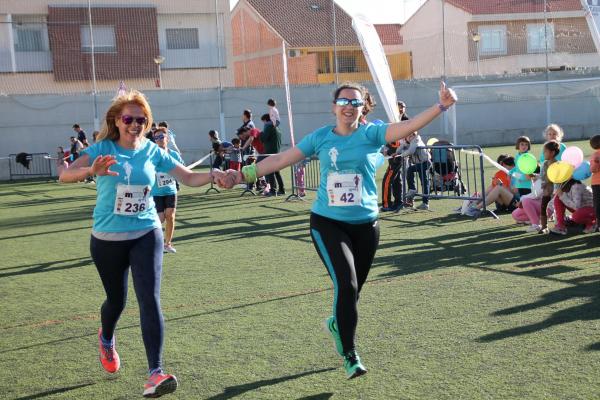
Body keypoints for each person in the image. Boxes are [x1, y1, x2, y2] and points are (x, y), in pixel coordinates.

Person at [221, 81, 457, 378]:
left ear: (363, 109)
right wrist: (243, 174)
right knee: (345, 285)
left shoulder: (372, 134)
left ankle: (337, 324)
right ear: (334, 107)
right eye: (344, 101)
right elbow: (281, 159)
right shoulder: (320, 138)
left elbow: (403, 128)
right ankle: (350, 354)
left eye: (355, 103)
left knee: (353, 293)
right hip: (328, 223)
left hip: (367, 226)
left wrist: (441, 106)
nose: (349, 106)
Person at [59, 90, 227, 398]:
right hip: (107, 239)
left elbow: (188, 178)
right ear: (117, 121)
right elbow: (64, 175)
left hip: (147, 232)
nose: (135, 124)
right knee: (116, 302)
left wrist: (214, 175)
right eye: (129, 119)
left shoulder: (153, 151)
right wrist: (89, 171)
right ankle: (106, 337)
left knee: (149, 299)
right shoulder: (102, 148)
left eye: (141, 119)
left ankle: (155, 373)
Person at [151, 127, 184, 253]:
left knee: (170, 215)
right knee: (160, 218)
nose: (159, 139)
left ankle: (167, 243)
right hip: (156, 192)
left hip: (171, 190)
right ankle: (155, 242)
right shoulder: (152, 155)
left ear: (167, 138)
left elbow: (182, 168)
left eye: (161, 137)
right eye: (156, 138)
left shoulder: (174, 155)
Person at [402, 131, 432, 210]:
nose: (406, 138)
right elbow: (403, 146)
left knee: (424, 182)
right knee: (422, 181)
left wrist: (402, 154)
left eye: (408, 136)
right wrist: (397, 152)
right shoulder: (411, 141)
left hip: (425, 163)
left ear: (412, 135)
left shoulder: (415, 140)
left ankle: (424, 202)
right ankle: (423, 201)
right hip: (420, 163)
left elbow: (411, 151)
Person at [260, 114, 285, 196]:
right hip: (277, 152)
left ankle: (273, 190)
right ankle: (282, 189)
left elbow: (263, 138)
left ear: (266, 120)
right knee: (277, 172)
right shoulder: (277, 128)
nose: (263, 124)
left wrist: (260, 134)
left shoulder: (268, 127)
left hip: (270, 152)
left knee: (270, 172)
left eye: (263, 121)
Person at [539, 140, 560, 234]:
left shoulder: (558, 164)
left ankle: (560, 225)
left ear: (552, 152)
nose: (544, 153)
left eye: (545, 151)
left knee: (558, 209)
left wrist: (548, 180)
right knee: (543, 208)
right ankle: (544, 227)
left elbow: (557, 178)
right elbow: (542, 176)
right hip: (546, 191)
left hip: (556, 192)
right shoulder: (544, 164)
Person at [590, 134, 600, 233]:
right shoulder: (595, 155)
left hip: (596, 183)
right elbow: (592, 169)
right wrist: (597, 162)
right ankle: (598, 224)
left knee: (598, 204)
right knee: (598, 204)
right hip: (597, 184)